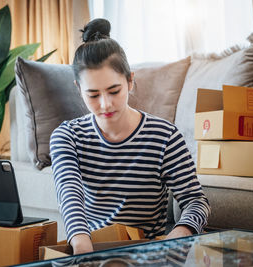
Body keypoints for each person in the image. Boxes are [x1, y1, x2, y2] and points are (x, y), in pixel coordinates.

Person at [50, 18, 210, 255]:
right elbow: (69, 193)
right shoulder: (67, 136)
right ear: (78, 89)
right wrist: (82, 247)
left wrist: (181, 232)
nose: (105, 104)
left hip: (148, 255)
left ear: (130, 81)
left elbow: (196, 201)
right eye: (93, 95)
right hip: (92, 251)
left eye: (114, 91)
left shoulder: (164, 136)